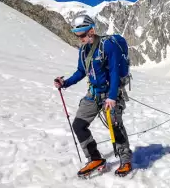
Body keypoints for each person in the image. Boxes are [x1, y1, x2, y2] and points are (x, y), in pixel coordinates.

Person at [53, 14, 133, 178]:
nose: (80, 38)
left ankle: (125, 160)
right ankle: (95, 158)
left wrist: (111, 97)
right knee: (79, 125)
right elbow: (82, 71)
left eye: (82, 34)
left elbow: (115, 71)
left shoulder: (107, 46)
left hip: (111, 93)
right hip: (94, 93)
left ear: (91, 31)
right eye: (77, 35)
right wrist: (65, 83)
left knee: (114, 124)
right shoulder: (83, 50)